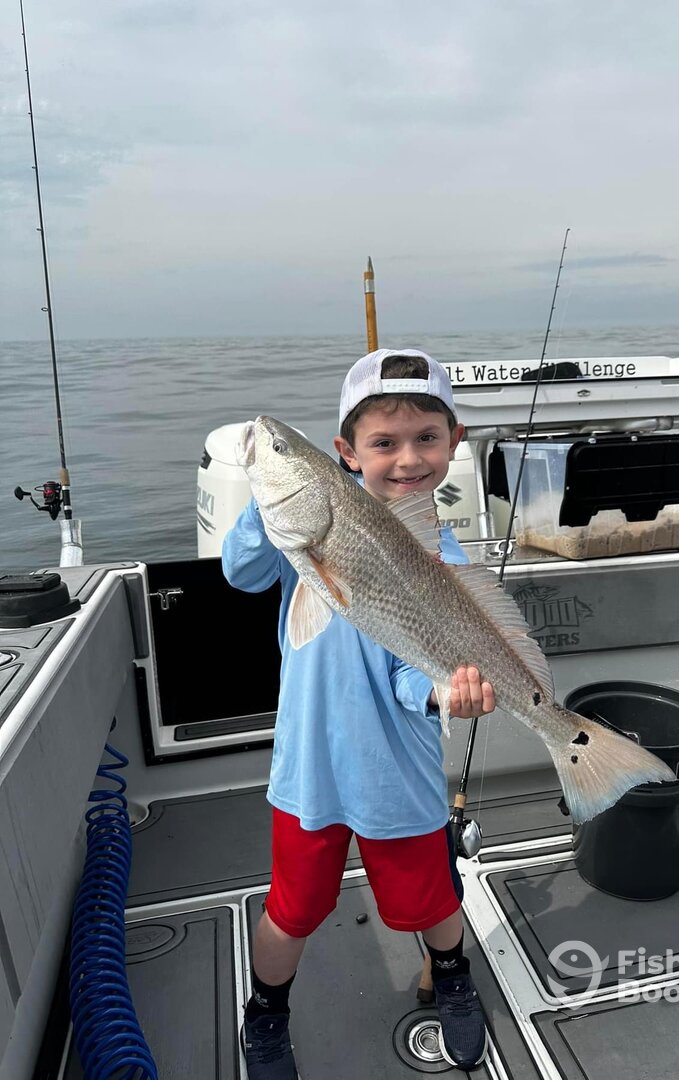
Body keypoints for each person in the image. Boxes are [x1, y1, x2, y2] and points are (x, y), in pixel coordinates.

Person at [222, 348, 495, 1079]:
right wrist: (273, 486)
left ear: (453, 442)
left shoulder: (444, 558)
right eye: (383, 442)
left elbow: (414, 671)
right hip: (309, 769)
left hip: (395, 769)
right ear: (345, 453)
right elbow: (242, 572)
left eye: (426, 438)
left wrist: (441, 692)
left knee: (430, 900)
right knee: (291, 910)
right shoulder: (307, 520)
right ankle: (266, 1014)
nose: (407, 458)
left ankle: (453, 975)